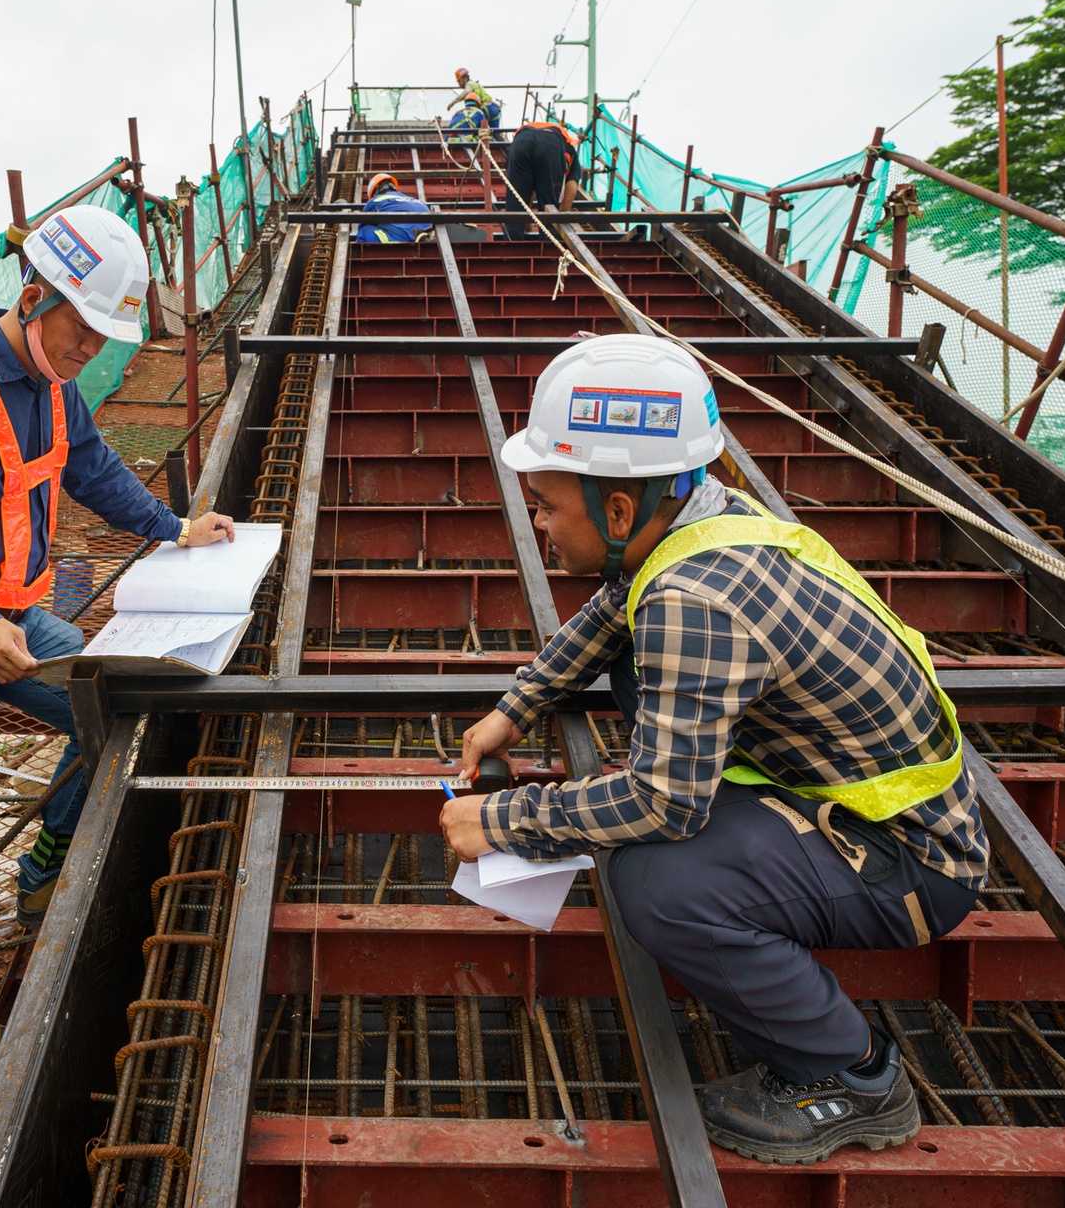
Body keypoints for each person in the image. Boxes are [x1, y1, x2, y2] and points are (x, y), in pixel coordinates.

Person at [439, 333, 985, 1165]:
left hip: (909, 860)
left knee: (658, 880)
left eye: (545, 503)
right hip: (845, 794)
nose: (539, 522)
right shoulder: (706, 513)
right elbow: (613, 609)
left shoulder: (695, 602)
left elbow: (665, 802)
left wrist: (507, 820)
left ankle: (853, 1079)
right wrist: (516, 710)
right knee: (634, 668)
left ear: (619, 510)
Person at [0, 204, 236, 1087]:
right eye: (82, 331)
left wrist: (175, 527)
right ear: (34, 297)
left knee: (114, 711)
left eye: (103, 339)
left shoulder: (54, 383)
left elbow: (94, 467)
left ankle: (44, 863)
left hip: (18, 617)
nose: (89, 353)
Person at [502, 118, 580, 240]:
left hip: (521, 141)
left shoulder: (566, 146)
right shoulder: (570, 149)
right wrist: (561, 218)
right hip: (550, 144)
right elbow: (572, 184)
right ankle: (548, 250)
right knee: (549, 208)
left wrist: (527, 228)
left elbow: (524, 197)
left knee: (515, 209)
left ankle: (512, 250)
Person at [356, 173, 431, 244]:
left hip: (401, 241)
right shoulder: (417, 201)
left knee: (364, 230)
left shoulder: (375, 200)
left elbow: (362, 221)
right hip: (427, 238)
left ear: (375, 192)